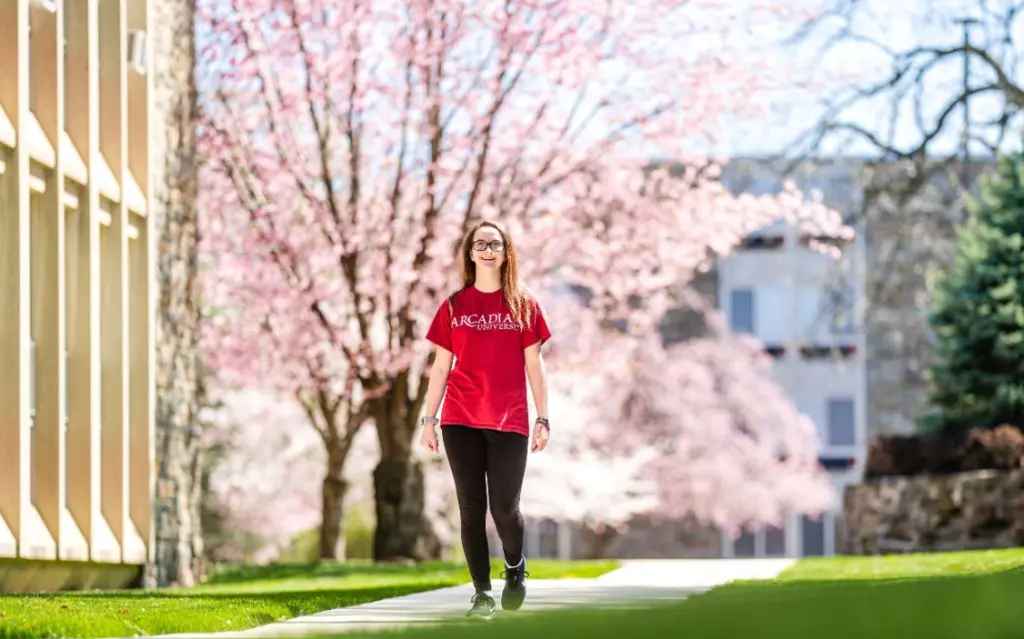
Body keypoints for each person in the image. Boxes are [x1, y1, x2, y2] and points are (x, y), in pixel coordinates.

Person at [419, 219, 552, 620]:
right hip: (460, 419)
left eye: (495, 243)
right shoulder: (455, 306)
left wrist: (543, 417)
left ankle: (515, 566)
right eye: (480, 244)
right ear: (470, 253)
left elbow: (535, 363)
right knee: (470, 508)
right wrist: (429, 419)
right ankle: (481, 594)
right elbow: (441, 367)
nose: (488, 250)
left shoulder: (523, 304)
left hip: (510, 420)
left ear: (506, 252)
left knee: (505, 509)